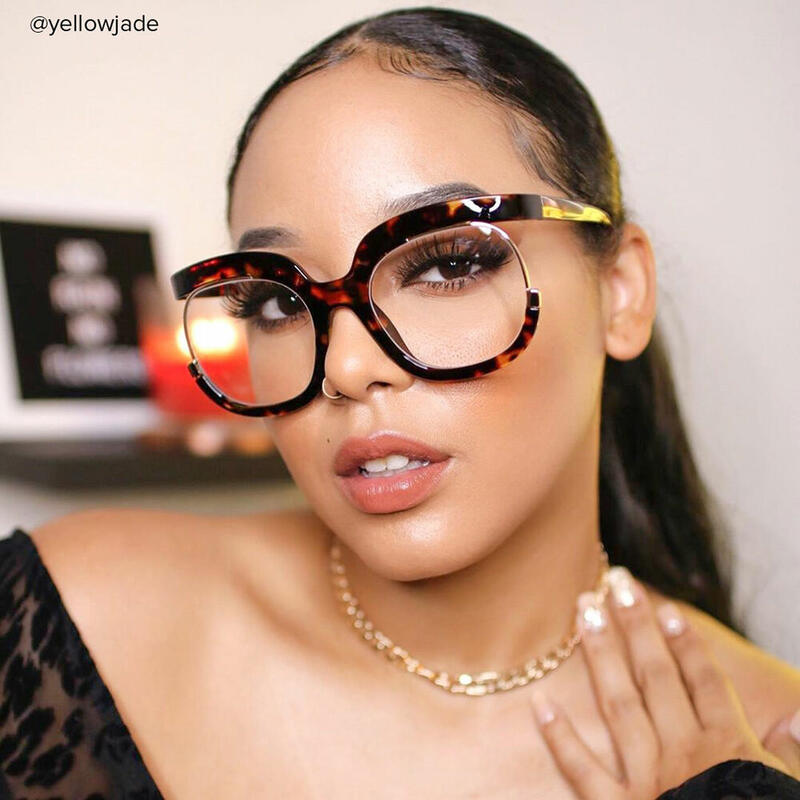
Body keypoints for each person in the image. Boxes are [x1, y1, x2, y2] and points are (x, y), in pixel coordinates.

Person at [1, 7, 799, 799]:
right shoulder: (79, 617)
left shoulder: (768, 742)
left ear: (621, 292)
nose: (347, 367)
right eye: (276, 301)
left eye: (446, 263)